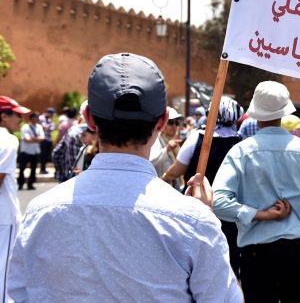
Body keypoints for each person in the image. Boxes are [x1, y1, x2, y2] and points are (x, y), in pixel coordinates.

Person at [8, 53, 241, 301]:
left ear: (89, 119)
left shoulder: (40, 212)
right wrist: (202, 219)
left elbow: (18, 293)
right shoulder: (194, 221)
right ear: (162, 121)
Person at [213, 81, 300, 303]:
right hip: (297, 249)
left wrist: (258, 214)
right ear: (284, 113)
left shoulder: (241, 151)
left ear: (256, 114)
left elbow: (218, 201)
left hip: (256, 251)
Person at [162, 96, 244, 278]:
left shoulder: (198, 137)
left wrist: (165, 177)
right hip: (231, 214)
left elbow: (177, 169)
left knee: (195, 265)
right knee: (228, 267)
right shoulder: (242, 143)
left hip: (195, 208)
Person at [0, 96, 30, 302]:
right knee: (4, 269)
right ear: (4, 116)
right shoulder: (8, 139)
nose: (20, 120)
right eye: (16, 115)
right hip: (3, 216)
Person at [149, 106, 183, 179]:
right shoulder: (155, 140)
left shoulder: (174, 140)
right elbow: (151, 162)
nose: (174, 126)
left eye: (176, 123)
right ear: (163, 123)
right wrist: (166, 150)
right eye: (170, 122)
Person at [17, 112, 45, 190]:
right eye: (35, 117)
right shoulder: (25, 127)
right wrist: (37, 139)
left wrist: (33, 139)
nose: (37, 119)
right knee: (22, 168)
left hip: (35, 151)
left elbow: (42, 138)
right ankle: (20, 183)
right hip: (26, 151)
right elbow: (27, 139)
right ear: (31, 118)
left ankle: (30, 184)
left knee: (33, 168)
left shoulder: (39, 127)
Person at [38, 107, 55, 174]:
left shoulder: (49, 119)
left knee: (46, 155)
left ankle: (43, 168)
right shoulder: (41, 118)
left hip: (48, 139)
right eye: (51, 114)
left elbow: (52, 127)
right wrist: (49, 127)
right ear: (48, 113)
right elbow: (44, 127)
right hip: (43, 139)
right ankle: (42, 169)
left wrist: (49, 127)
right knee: (43, 155)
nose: (52, 115)